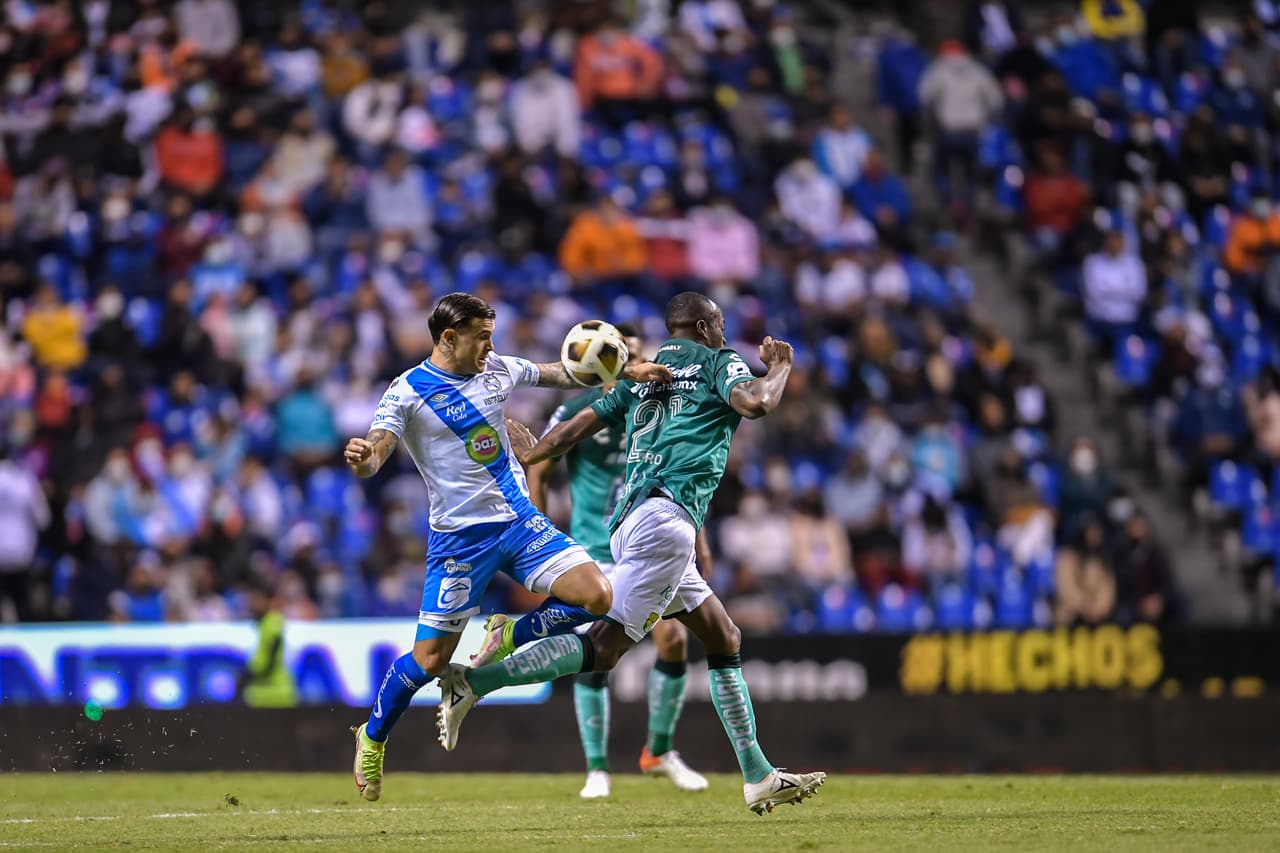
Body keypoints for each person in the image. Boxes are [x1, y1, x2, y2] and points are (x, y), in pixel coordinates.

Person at [437, 292, 826, 815]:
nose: (724, 334)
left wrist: (531, 451)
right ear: (705, 328)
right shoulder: (718, 362)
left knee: (722, 635)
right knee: (603, 648)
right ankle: (475, 681)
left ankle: (758, 775)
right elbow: (757, 402)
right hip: (666, 524)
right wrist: (779, 367)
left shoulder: (645, 376)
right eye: (720, 325)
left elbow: (575, 427)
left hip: (636, 520)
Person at [344, 292, 671, 802]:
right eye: (482, 338)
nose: (490, 347)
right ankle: (372, 736)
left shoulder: (497, 368)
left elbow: (561, 372)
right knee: (429, 662)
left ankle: (510, 632)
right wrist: (364, 458)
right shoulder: (407, 391)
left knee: (598, 596)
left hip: (518, 523)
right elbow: (377, 450)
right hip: (460, 541)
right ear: (448, 338)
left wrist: (626, 370)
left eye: (492, 337)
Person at [522, 323, 710, 799]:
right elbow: (538, 466)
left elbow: (681, 480)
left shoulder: (663, 407)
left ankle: (658, 752)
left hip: (650, 544)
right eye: (628, 357)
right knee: (597, 655)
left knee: (673, 641)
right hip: (596, 550)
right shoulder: (577, 410)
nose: (640, 365)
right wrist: (539, 536)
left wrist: (700, 541)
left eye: (641, 356)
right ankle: (597, 768)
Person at [237, 581, 298, 708]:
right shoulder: (263, 624)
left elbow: (269, 661)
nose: (253, 604)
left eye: (257, 599)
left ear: (268, 601)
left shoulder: (272, 624)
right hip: (270, 689)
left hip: (273, 691)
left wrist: (248, 676)